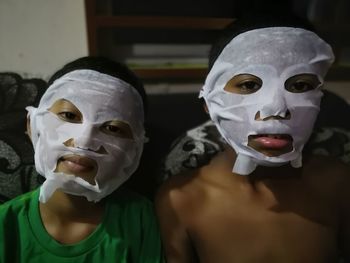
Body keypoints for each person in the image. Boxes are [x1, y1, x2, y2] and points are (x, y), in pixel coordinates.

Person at [156, 15, 350, 263]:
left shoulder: (339, 185)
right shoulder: (181, 200)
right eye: (249, 85)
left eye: (300, 85)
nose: (277, 108)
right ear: (208, 101)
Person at [0, 56, 163, 262]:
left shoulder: (142, 221)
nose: (84, 142)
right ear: (32, 125)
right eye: (69, 116)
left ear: (135, 149)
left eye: (111, 128)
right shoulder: (5, 226)